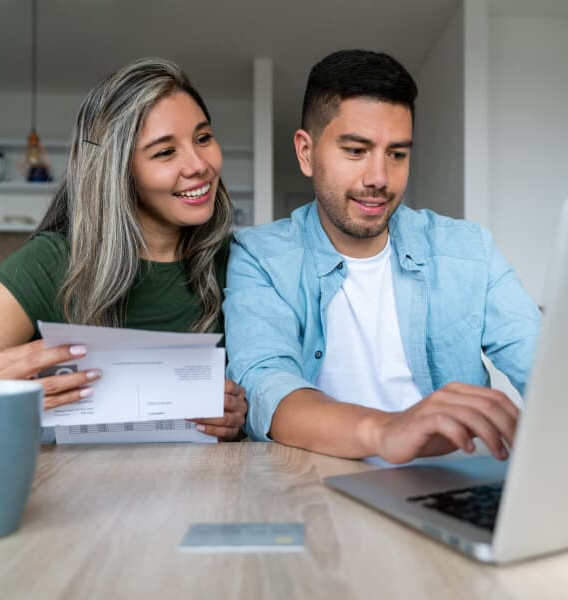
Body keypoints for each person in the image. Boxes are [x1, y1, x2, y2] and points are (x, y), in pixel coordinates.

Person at [224, 49, 541, 460]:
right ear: (306, 152)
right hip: (318, 480)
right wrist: (387, 430)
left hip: (452, 477)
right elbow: (266, 386)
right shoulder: (259, 256)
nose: (379, 178)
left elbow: (545, 367)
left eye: (397, 154)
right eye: (356, 151)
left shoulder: (468, 250)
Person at [0, 58, 246, 441]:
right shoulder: (47, 265)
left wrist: (243, 417)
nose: (199, 165)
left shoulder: (241, 263)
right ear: (116, 172)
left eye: (203, 138)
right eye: (165, 152)